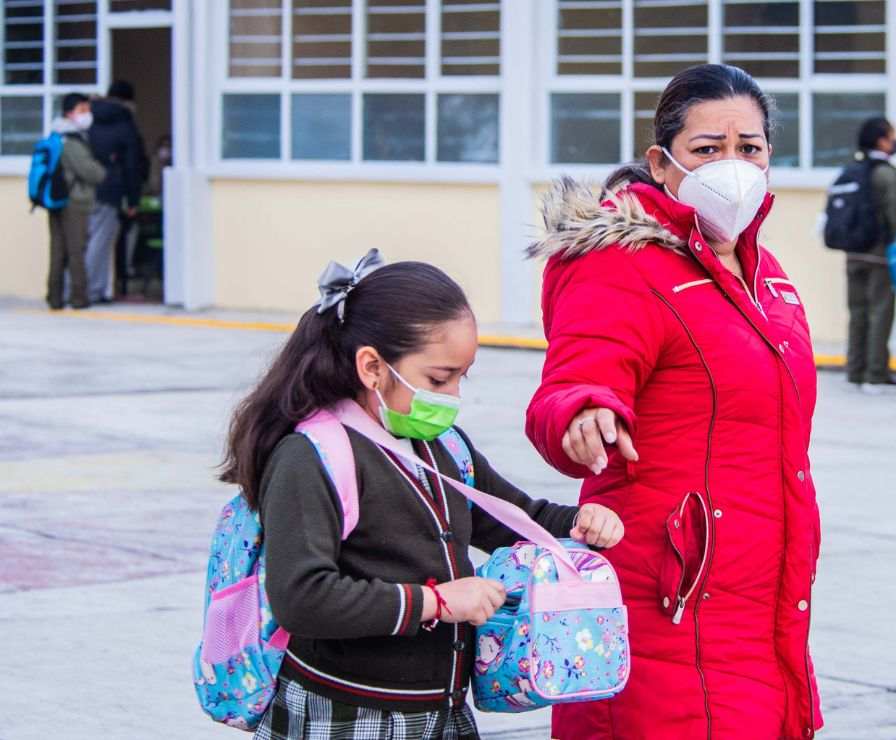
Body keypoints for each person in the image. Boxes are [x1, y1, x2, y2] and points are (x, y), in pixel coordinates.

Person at [525, 64, 823, 739]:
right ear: (662, 163)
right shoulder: (619, 262)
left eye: (749, 147)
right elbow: (572, 378)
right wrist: (583, 410)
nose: (733, 165)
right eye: (708, 149)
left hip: (764, 598)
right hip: (666, 596)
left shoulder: (765, 275)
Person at [219, 253, 624, 740]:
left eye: (460, 378)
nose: (452, 396)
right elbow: (302, 598)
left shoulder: (444, 447)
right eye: (437, 379)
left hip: (440, 712)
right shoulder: (312, 457)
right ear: (372, 366)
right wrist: (435, 602)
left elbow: (514, 518)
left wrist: (581, 521)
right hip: (346, 714)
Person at [846, 116, 896, 394]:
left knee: (857, 312)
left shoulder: (851, 169)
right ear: (882, 141)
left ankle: (855, 370)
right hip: (879, 256)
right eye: (891, 136)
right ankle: (876, 374)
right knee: (880, 312)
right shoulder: (887, 174)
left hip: (853, 254)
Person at [82, 80, 146, 304]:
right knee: (100, 242)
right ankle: (87, 290)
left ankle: (95, 289)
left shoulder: (88, 117)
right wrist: (133, 199)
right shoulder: (124, 123)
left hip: (80, 189)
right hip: (109, 190)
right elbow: (132, 165)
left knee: (85, 241)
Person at [46, 93, 107, 311]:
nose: (87, 115)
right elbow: (91, 172)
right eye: (82, 110)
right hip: (74, 202)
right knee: (76, 251)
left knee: (58, 250)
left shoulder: (56, 136)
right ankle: (79, 297)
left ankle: (54, 297)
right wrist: (103, 170)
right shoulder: (71, 140)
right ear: (69, 113)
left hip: (55, 200)